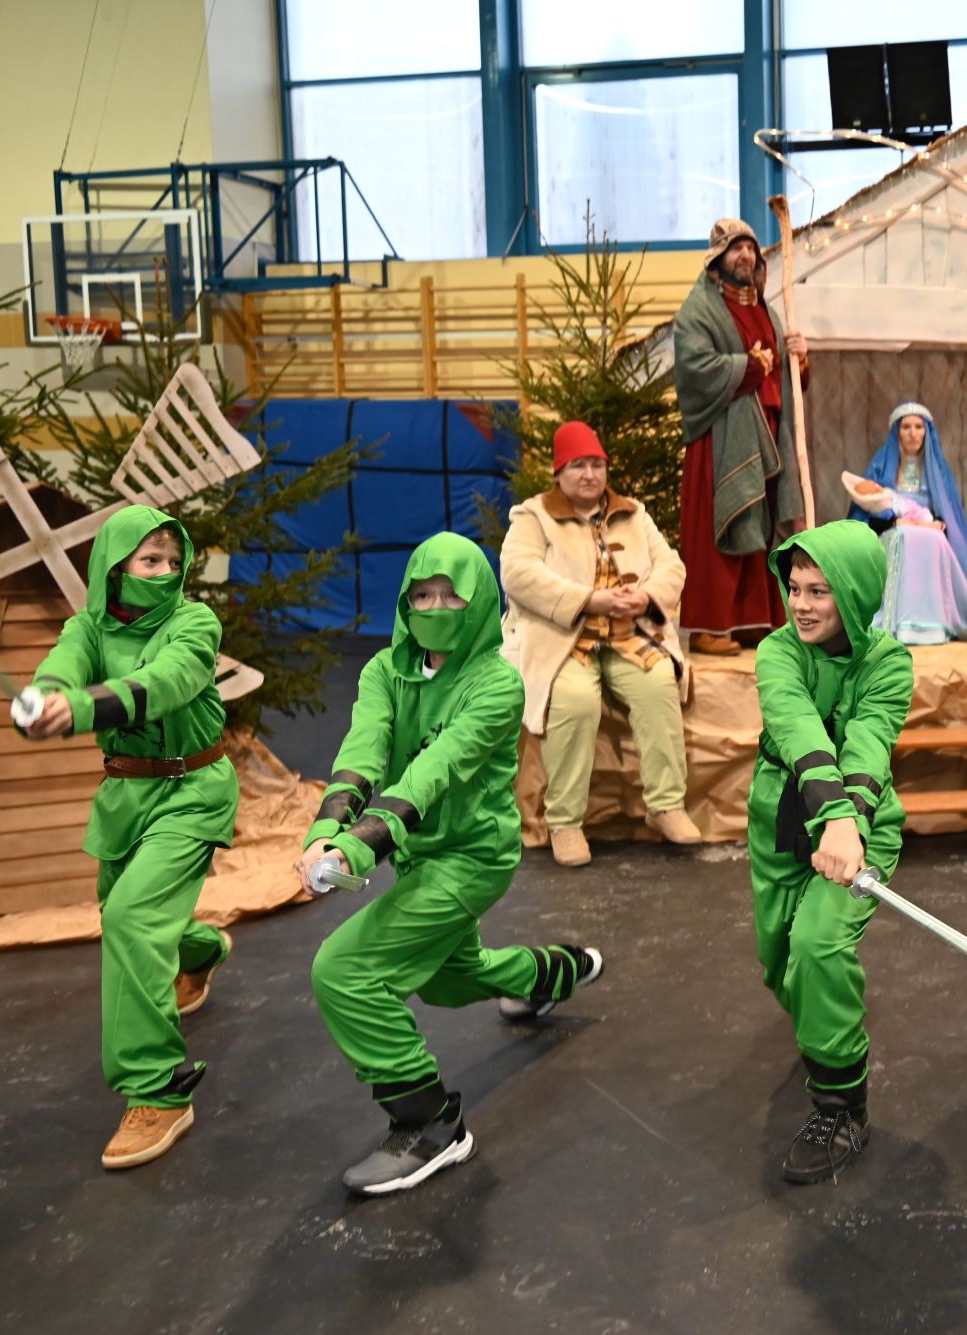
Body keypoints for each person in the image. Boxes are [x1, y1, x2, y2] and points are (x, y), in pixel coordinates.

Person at [297, 533, 604, 1194]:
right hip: (417, 855)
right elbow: (364, 748)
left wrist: (360, 843)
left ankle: (432, 1125)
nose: (436, 608)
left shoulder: (497, 684)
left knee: (344, 970)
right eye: (423, 595)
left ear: (479, 601)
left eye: (451, 595)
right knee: (446, 978)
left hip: (471, 857)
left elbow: (434, 771)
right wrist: (328, 826)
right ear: (406, 601)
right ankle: (553, 971)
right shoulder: (385, 671)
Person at [16, 505, 237, 1170]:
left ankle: (158, 1091)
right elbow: (63, 663)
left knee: (132, 917)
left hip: (193, 790)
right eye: (149, 560)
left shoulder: (194, 622)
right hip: (125, 795)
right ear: (115, 567)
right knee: (132, 914)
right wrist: (44, 698)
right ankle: (201, 949)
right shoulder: (87, 626)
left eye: (173, 561)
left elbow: (168, 681)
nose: (165, 572)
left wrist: (83, 707)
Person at [745, 521, 913, 1184]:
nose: (802, 603)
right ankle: (821, 1022)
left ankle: (841, 1105)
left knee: (817, 945)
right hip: (779, 818)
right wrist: (827, 814)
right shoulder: (776, 651)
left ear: (855, 591)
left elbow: (868, 741)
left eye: (820, 590)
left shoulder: (889, 662)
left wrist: (848, 822)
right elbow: (795, 723)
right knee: (780, 962)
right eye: (795, 588)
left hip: (861, 827)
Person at [502, 420, 701, 866]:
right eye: (578, 466)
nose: (589, 474)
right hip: (564, 639)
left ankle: (666, 805)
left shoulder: (634, 513)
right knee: (573, 700)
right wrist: (589, 600)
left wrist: (645, 597)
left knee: (658, 684)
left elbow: (671, 565)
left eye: (597, 464)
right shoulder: (533, 516)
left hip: (630, 634)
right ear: (559, 472)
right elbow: (517, 573)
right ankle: (564, 823)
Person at [674, 218, 808, 655]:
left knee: (761, 531)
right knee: (721, 531)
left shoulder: (767, 311)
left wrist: (799, 361)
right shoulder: (699, 310)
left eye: (751, 248)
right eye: (736, 249)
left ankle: (753, 620)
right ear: (717, 259)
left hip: (769, 436)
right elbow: (695, 369)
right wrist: (748, 366)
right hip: (721, 438)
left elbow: (783, 379)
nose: (746, 255)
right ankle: (710, 626)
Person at [845, 401, 967, 645]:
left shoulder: (937, 472)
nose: (913, 433)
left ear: (926, 432)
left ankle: (935, 624)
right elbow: (867, 510)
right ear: (897, 432)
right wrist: (894, 520)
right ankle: (900, 623)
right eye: (906, 427)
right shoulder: (881, 467)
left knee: (935, 538)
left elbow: (949, 513)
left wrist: (932, 524)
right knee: (905, 535)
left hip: (929, 530)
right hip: (893, 531)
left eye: (918, 427)